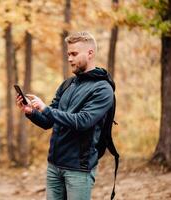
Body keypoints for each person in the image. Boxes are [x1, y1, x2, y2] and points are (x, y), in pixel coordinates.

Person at [16, 31, 115, 200]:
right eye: (68, 54)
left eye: (74, 54)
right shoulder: (67, 84)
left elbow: (83, 121)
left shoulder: (103, 89)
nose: (69, 59)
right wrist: (31, 112)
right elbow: (48, 122)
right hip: (54, 165)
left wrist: (45, 108)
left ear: (90, 53)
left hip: (79, 170)